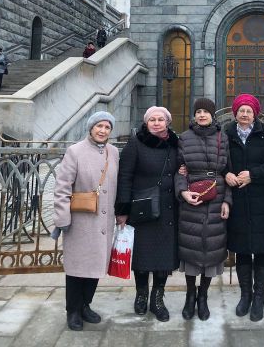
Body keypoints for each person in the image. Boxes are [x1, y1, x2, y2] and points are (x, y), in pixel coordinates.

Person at [52, 111, 119, 331]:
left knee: (96, 266)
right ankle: (73, 310)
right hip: (80, 221)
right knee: (77, 268)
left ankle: (85, 305)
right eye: (99, 126)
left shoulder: (113, 152)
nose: (103, 131)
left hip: (104, 221)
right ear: (91, 128)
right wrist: (63, 218)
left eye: (107, 127)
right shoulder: (75, 151)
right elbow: (62, 187)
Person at [115, 106, 179, 322]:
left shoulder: (175, 143)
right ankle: (141, 294)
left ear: (167, 122)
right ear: (146, 122)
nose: (157, 123)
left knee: (164, 257)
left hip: (168, 209)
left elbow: (181, 168)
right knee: (142, 256)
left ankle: (157, 299)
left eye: (161, 119)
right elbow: (124, 177)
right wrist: (122, 210)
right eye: (152, 119)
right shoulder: (136, 143)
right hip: (142, 209)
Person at [225, 94, 264, 322]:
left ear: (255, 114)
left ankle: (259, 298)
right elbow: (219, 161)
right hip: (237, 202)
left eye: (249, 111)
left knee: (261, 252)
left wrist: (253, 175)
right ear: (235, 113)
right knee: (241, 252)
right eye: (241, 110)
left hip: (261, 203)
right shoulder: (226, 135)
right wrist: (226, 174)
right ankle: (245, 295)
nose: (245, 114)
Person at [175, 98, 231, 321]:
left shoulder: (222, 138)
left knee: (212, 248)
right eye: (198, 111)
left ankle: (203, 296)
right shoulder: (184, 138)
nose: (201, 115)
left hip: (217, 197)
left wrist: (227, 201)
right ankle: (190, 295)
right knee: (191, 246)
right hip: (192, 198)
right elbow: (178, 171)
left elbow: (228, 171)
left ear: (212, 115)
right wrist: (183, 192)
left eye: (205, 111)